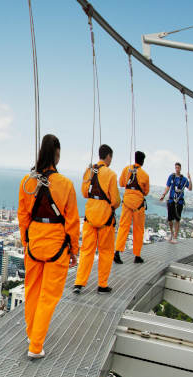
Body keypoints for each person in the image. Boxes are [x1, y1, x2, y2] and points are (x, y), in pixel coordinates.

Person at [18, 134, 79, 359]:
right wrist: (74, 250)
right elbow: (72, 221)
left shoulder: (28, 181)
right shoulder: (65, 184)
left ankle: (31, 333)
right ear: (57, 153)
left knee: (32, 291)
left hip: (34, 243)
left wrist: (25, 242)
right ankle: (35, 346)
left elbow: (23, 216)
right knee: (48, 296)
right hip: (57, 245)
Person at [74, 144, 120, 294]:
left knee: (87, 250)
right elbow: (115, 201)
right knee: (105, 251)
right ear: (108, 156)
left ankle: (79, 283)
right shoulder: (111, 174)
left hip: (90, 215)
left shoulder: (89, 170)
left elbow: (84, 193)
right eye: (111, 157)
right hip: (105, 217)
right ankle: (102, 284)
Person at [114, 150, 150, 264]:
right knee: (138, 229)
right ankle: (137, 255)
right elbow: (146, 192)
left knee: (123, 227)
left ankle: (117, 252)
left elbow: (121, 183)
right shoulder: (145, 175)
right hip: (138, 205)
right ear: (143, 161)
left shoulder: (126, 169)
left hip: (127, 203)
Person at [159, 162, 192, 243]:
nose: (177, 169)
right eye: (176, 167)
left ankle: (175, 237)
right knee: (170, 219)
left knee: (177, 219)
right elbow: (168, 187)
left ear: (180, 168)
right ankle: (172, 233)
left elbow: (190, 188)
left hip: (179, 201)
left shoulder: (184, 179)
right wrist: (163, 195)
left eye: (178, 167)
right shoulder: (172, 177)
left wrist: (190, 179)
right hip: (171, 200)